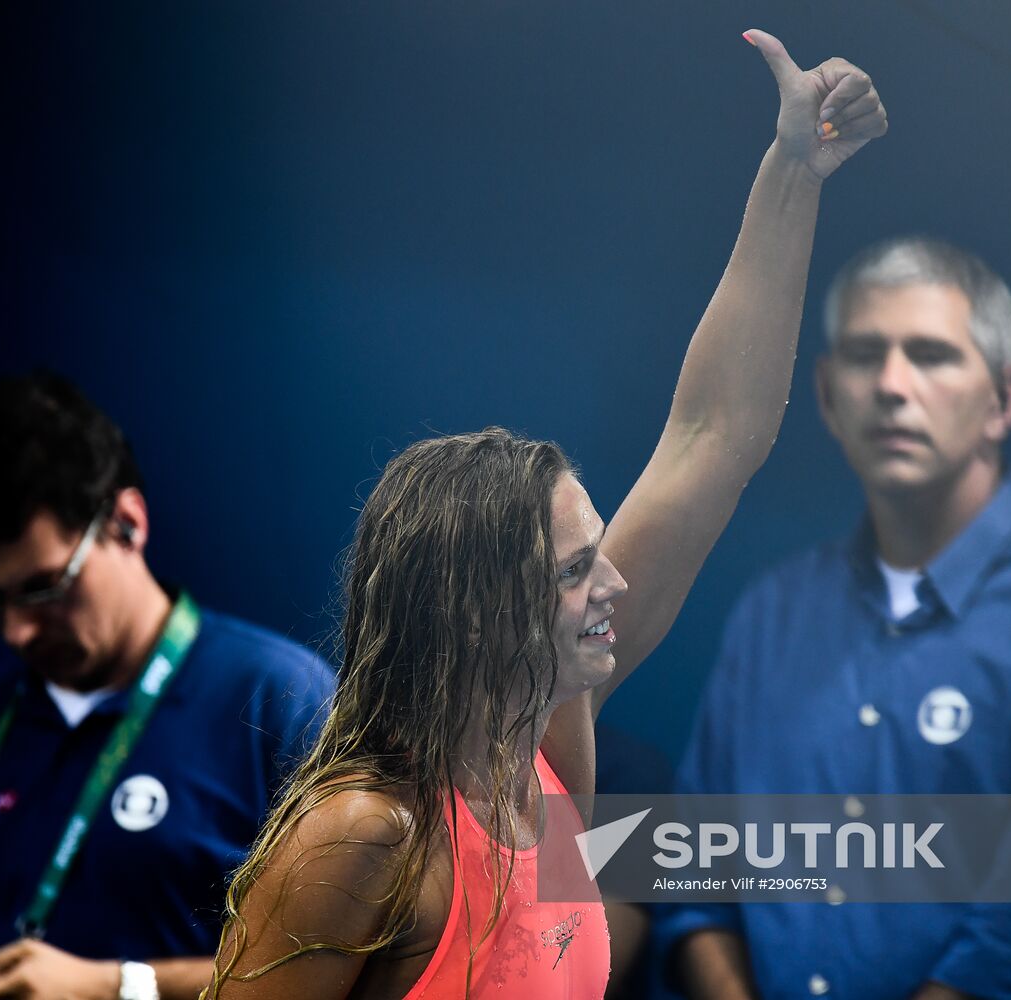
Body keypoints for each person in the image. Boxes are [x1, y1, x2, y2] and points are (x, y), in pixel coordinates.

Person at [206, 29, 888, 1000]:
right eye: (573, 570)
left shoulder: (545, 752)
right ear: (478, 611)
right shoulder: (365, 832)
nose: (610, 580)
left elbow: (714, 433)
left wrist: (794, 168)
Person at [663, 237, 1011, 999]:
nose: (891, 385)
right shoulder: (772, 613)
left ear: (1004, 399)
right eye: (865, 354)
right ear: (824, 394)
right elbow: (690, 873)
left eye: (932, 354)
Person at [0, 372, 336, 1000]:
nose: (18, 631)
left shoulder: (281, 700)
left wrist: (121, 988)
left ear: (127, 523)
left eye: (44, 587)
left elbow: (336, 971)